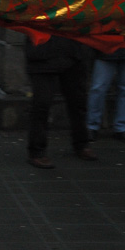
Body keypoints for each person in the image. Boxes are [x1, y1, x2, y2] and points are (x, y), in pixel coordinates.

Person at [25, 35, 97, 169]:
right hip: (43, 54)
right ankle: (37, 151)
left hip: (72, 52)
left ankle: (81, 143)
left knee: (78, 102)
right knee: (42, 104)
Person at [86, 48, 125, 144]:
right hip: (121, 49)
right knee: (101, 88)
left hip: (113, 49)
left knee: (101, 88)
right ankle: (120, 127)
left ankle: (93, 126)